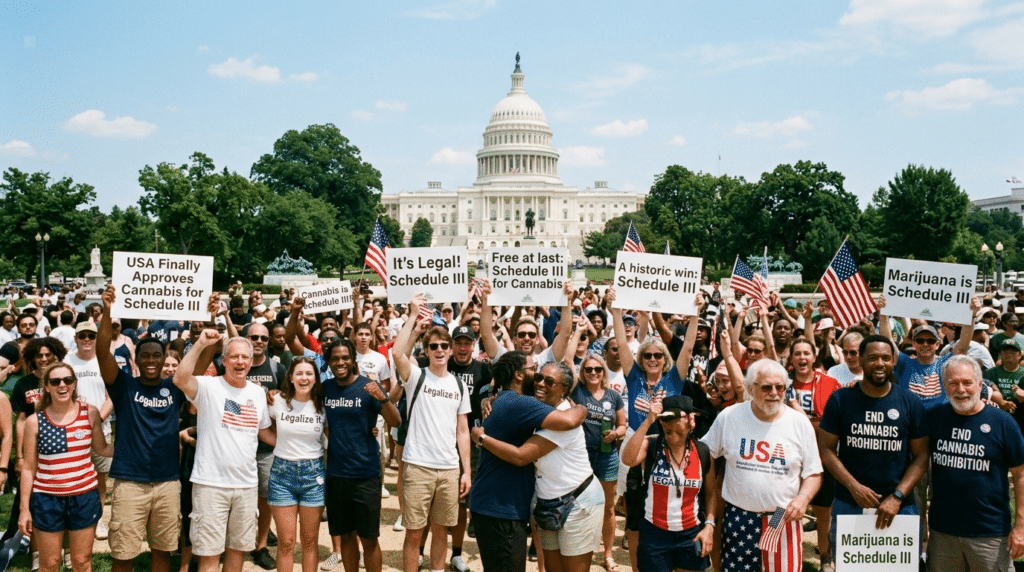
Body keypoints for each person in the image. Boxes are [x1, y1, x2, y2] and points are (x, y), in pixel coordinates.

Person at [473, 361, 604, 572]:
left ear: (564, 390)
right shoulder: (537, 408)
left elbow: (520, 456)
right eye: (538, 378)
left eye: (549, 381)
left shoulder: (565, 417)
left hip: (578, 501)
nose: (540, 384)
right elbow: (509, 401)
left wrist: (482, 439)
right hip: (548, 503)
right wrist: (490, 399)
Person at [817, 334, 929, 570]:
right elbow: (826, 449)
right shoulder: (841, 399)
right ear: (860, 359)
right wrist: (853, 486)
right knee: (853, 568)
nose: (880, 364)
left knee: (897, 568)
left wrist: (897, 496)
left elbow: (921, 456)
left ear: (893, 361)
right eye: (873, 358)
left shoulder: (910, 402)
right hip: (850, 501)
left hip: (899, 505)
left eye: (886, 358)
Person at [701, 359, 823, 572]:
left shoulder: (799, 423)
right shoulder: (730, 417)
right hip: (739, 515)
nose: (774, 393)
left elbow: (813, 472)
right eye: (766, 387)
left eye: (780, 387)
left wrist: (803, 498)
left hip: (780, 517)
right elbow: (704, 453)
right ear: (750, 388)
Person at [96, 287, 183, 572]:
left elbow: (204, 360)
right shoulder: (124, 386)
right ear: (136, 360)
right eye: (144, 356)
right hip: (130, 482)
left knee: (163, 551)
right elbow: (101, 353)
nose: (150, 361)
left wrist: (208, 325)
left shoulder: (174, 389)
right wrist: (108, 310)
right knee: (123, 553)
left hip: (167, 482)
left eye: (156, 356)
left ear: (163, 359)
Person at [173, 331, 272, 572]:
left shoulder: (258, 393)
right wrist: (200, 344)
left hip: (246, 485)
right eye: (234, 356)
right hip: (210, 485)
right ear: (224, 360)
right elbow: (180, 378)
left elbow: (266, 434)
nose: (240, 362)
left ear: (251, 361)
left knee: (237, 550)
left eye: (245, 357)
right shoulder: (208, 386)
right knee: (209, 555)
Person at [392, 294, 472, 572]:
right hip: (418, 466)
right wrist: (413, 316)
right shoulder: (417, 376)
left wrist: (467, 471)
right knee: (414, 533)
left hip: (449, 469)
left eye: (443, 346)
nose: (439, 350)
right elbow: (397, 353)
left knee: (441, 531)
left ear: (451, 350)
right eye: (434, 346)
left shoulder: (459, 386)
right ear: (426, 350)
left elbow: (463, 431)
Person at [926, 355, 1024, 570]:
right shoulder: (934, 418)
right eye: (953, 383)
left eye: (967, 383)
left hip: (990, 535)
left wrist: (1021, 526)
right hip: (943, 534)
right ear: (944, 386)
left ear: (980, 385)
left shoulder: (1003, 423)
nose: (961, 389)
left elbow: (1021, 475)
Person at [18, 362, 112, 572]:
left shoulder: (90, 413)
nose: (62, 385)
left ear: (74, 384)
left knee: (82, 561)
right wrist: (24, 509)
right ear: (47, 387)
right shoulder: (35, 421)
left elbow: (102, 448)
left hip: (84, 496)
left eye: (67, 380)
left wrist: (134, 446)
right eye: (55, 381)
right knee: (49, 563)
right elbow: (28, 468)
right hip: (47, 499)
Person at [318, 339, 401, 572]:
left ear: (353, 360)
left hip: (365, 474)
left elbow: (396, 421)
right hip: (336, 475)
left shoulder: (369, 387)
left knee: (369, 539)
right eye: (335, 358)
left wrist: (382, 397)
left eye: (345, 358)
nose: (340, 362)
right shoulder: (326, 389)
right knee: (345, 536)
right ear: (329, 362)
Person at [621, 395, 715, 572]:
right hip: (655, 533)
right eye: (667, 431)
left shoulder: (702, 452)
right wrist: (648, 420)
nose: (672, 437)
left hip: (690, 534)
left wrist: (709, 526)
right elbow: (627, 459)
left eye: (678, 432)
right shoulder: (652, 446)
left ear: (690, 423)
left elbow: (710, 494)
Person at [264, 356, 330, 572]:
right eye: (299, 373)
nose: (304, 378)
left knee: (310, 543)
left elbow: (331, 436)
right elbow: (261, 428)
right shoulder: (276, 401)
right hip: (282, 475)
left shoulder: (323, 404)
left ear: (315, 378)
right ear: (290, 377)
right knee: (286, 543)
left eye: (309, 374)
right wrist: (280, 443)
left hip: (314, 476)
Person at [784, 337, 841, 569]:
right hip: (787, 456)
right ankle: (772, 544)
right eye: (797, 354)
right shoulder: (782, 382)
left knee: (823, 510)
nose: (802, 358)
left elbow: (833, 422)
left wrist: (802, 417)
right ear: (791, 357)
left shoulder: (829, 383)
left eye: (806, 353)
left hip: (821, 456)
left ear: (814, 355)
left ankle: (825, 556)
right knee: (780, 505)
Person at [571, 354, 626, 571]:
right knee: (576, 504)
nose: (593, 372)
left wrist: (616, 433)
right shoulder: (578, 391)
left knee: (609, 508)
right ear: (582, 373)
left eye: (598, 369)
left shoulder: (614, 396)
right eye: (588, 369)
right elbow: (567, 359)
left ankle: (608, 554)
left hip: (607, 456)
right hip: (581, 456)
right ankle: (578, 550)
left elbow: (623, 425)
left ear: (604, 372)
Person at [64, 321, 114, 541]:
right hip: (71, 429)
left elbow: (112, 396)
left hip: (100, 427)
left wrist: (96, 421)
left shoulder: (104, 361)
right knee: (74, 477)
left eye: (91, 336)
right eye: (82, 335)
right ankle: (75, 519)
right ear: (75, 338)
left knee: (99, 478)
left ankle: (99, 518)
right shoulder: (67, 362)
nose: (87, 339)